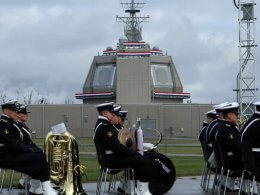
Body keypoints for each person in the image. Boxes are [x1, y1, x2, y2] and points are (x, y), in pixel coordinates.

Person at [93, 102, 171, 194]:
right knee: (145, 161)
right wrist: (133, 153)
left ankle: (131, 189)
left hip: (111, 158)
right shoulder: (104, 127)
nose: (113, 115)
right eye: (112, 113)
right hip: (111, 161)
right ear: (104, 113)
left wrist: (133, 153)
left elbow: (116, 146)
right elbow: (116, 148)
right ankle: (142, 191)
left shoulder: (104, 125)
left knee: (139, 159)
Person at [0, 100, 57, 195]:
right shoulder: (3, 124)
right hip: (5, 157)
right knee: (38, 158)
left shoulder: (10, 123)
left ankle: (40, 187)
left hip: (12, 154)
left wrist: (32, 150)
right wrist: (30, 150)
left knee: (39, 157)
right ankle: (42, 187)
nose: (16, 113)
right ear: (6, 111)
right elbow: (12, 145)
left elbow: (19, 144)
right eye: (14, 110)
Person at [16, 104, 44, 195]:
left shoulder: (22, 126)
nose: (27, 115)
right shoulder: (17, 127)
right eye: (24, 113)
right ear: (18, 115)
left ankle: (23, 182)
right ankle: (35, 188)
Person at [215, 102, 243, 191]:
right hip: (233, 162)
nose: (237, 116)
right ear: (230, 115)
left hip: (230, 160)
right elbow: (235, 147)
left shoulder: (226, 127)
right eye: (236, 114)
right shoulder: (227, 128)